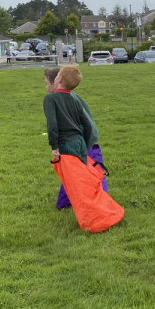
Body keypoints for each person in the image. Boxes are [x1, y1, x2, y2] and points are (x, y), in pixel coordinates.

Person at [44, 67, 108, 209]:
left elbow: (87, 124)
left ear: (56, 81)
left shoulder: (67, 99)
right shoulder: (66, 97)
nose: (46, 87)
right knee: (71, 174)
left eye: (46, 83)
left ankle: (101, 204)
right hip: (79, 141)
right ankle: (64, 204)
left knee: (88, 175)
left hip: (86, 142)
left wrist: (85, 143)